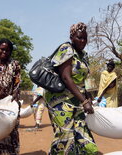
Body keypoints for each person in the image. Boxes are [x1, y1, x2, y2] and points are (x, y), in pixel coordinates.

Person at [44, 22, 98, 154]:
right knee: (65, 136)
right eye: (79, 37)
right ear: (72, 37)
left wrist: (87, 97)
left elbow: (81, 81)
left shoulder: (83, 55)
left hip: (77, 100)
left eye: (85, 38)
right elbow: (66, 78)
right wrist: (84, 101)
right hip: (60, 101)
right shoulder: (66, 49)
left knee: (82, 133)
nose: (83, 41)